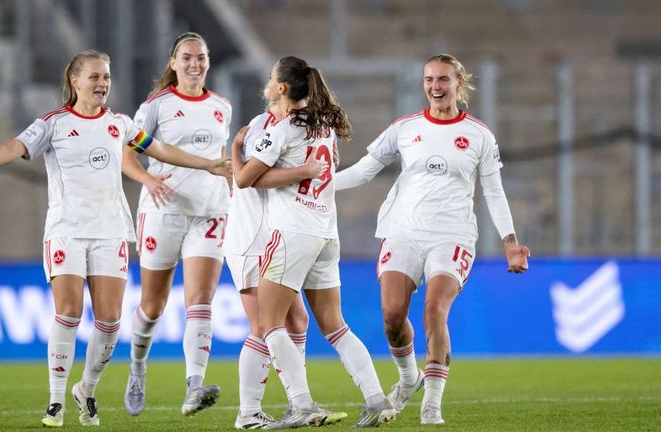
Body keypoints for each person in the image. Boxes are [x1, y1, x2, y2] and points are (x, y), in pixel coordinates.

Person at [0, 50, 230, 428]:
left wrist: (208, 163)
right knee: (69, 312)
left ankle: (85, 390)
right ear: (75, 81)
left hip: (111, 232)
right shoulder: (53, 124)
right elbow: (13, 147)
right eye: (94, 77)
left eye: (106, 77)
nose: (102, 83)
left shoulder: (120, 124)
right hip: (66, 230)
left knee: (109, 322)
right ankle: (55, 401)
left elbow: (159, 149)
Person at [335, 53, 531, 425]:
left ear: (459, 83)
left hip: (452, 236)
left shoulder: (478, 135)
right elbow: (363, 171)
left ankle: (432, 405)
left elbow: (494, 191)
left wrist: (510, 241)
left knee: (434, 310)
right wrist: (318, 184)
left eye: (443, 79)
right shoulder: (405, 128)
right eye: (429, 80)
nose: (435, 87)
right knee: (392, 316)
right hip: (403, 232)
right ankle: (410, 378)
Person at [232, 56, 396, 429]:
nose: (269, 83)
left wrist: (235, 148)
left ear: (282, 88)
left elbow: (245, 179)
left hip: (291, 233)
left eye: (273, 79)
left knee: (270, 323)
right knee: (336, 326)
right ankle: (376, 399)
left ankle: (302, 404)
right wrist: (304, 171)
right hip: (325, 233)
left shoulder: (284, 128)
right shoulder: (324, 127)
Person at [123, 32, 233, 418]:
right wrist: (148, 179)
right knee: (152, 306)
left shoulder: (222, 106)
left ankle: (194, 386)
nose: (194, 64)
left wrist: (231, 188)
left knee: (200, 301)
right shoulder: (156, 106)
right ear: (173, 62)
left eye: (200, 57)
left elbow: (220, 158)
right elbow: (126, 150)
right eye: (186, 57)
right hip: (163, 211)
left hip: (210, 212)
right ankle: (137, 368)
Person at [223, 104, 331, 429]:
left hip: (273, 238)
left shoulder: (290, 129)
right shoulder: (262, 128)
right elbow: (249, 179)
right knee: (261, 325)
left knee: (297, 321)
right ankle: (249, 412)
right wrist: (304, 170)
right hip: (251, 238)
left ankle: (294, 405)